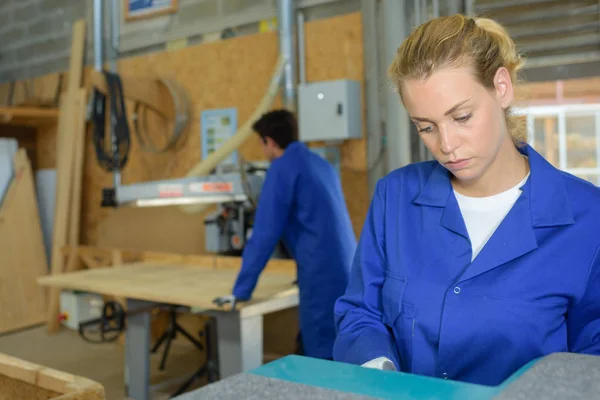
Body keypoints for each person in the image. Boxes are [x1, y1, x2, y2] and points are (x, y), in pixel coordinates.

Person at [332, 14, 600, 386]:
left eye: (461, 116)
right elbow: (360, 313)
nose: (446, 145)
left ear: (501, 88)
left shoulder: (589, 218)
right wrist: (382, 379)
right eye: (425, 127)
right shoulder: (394, 198)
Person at [213, 109, 357, 360]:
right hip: (348, 268)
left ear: (268, 141)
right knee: (340, 343)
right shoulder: (319, 163)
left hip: (320, 274)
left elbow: (264, 234)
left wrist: (240, 291)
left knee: (322, 354)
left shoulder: (282, 168)